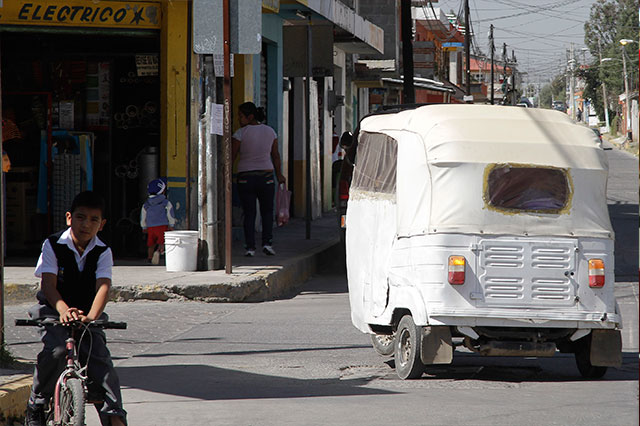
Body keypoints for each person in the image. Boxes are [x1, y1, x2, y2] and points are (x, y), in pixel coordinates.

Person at [25, 191, 127, 426]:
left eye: (93, 220)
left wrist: (91, 317)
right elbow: (48, 285)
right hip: (54, 309)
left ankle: (114, 416)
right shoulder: (52, 244)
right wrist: (62, 310)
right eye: (81, 217)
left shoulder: (103, 251)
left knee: (100, 358)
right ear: (69, 218)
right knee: (57, 351)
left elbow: (103, 287)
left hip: (86, 314)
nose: (86, 225)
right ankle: (37, 403)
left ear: (101, 225)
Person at [232, 102, 285, 257]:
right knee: (267, 212)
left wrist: (226, 175)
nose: (239, 119)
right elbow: (275, 156)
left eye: (241, 116)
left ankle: (250, 247)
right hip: (267, 177)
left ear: (250, 117)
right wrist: (279, 174)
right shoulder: (271, 132)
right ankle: (267, 244)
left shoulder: (240, 133)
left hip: (245, 178)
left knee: (249, 213)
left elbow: (232, 156)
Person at [140, 178, 176, 264]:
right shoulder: (166, 203)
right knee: (161, 242)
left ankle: (149, 257)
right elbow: (170, 214)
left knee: (151, 244)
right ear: (163, 191)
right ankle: (158, 252)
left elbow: (143, 216)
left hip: (150, 227)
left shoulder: (146, 204)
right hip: (162, 226)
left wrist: (144, 226)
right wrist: (171, 225)